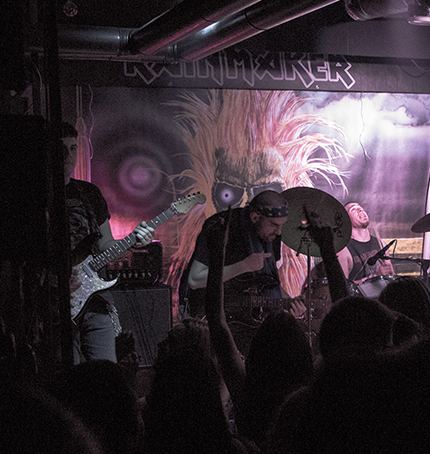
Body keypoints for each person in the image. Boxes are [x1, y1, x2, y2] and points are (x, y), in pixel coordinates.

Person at [61, 122, 155, 364]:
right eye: (61, 149)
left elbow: (105, 245)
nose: (68, 155)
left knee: (107, 370)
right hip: (56, 301)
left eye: (73, 148)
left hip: (96, 297)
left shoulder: (89, 193)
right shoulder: (33, 195)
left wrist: (133, 243)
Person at [180, 190, 304, 355]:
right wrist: (244, 266)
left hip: (250, 325)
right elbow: (194, 280)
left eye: (282, 225)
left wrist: (290, 302)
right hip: (211, 319)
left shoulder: (270, 236)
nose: (279, 232)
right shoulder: (222, 226)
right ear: (255, 217)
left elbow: (267, 282)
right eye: (274, 225)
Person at [337, 201, 395, 284]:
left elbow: (391, 275)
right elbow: (342, 286)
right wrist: (374, 277)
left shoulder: (381, 244)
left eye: (361, 208)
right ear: (346, 220)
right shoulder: (344, 250)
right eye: (353, 209)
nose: (360, 210)